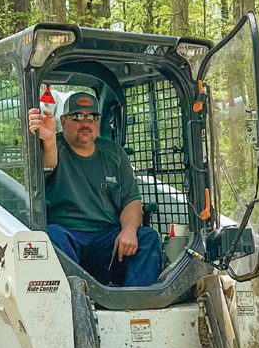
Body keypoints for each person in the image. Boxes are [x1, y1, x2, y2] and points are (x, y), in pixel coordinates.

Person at [27, 92, 162, 287]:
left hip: (106, 238)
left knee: (149, 238)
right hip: (68, 236)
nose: (85, 122)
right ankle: (74, 299)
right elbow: (48, 164)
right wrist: (48, 142)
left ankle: (136, 304)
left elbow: (131, 200)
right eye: (77, 117)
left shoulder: (114, 152)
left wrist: (129, 230)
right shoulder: (52, 145)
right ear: (63, 121)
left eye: (92, 117)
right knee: (50, 236)